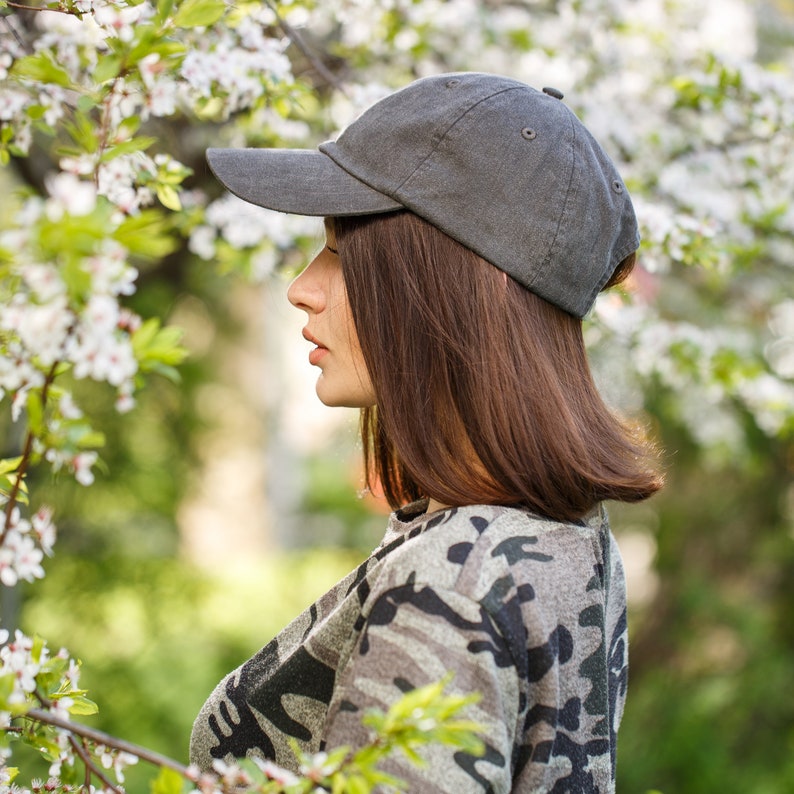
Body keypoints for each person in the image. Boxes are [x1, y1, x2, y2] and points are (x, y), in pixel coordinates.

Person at [190, 72, 662, 792]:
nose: (301, 287)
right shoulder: (569, 538)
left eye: (343, 255)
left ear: (453, 286)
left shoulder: (455, 577)